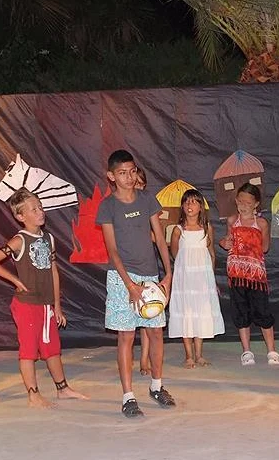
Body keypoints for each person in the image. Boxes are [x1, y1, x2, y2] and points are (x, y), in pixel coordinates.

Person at [0, 188, 87, 407]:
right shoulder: (19, 240)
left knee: (52, 348)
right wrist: (16, 281)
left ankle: (63, 388)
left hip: (46, 305)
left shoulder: (48, 238)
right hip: (27, 305)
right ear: (20, 216)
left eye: (40, 207)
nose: (40, 212)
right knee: (29, 351)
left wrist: (57, 305)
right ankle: (33, 393)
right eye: (34, 209)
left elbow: (53, 271)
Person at [96, 149, 175, 418]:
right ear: (111, 176)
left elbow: (160, 239)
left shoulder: (147, 199)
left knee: (155, 332)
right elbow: (112, 250)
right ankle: (128, 396)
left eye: (131, 171)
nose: (128, 177)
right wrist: (129, 285)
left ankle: (157, 386)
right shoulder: (107, 206)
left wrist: (168, 274)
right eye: (122, 173)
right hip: (122, 280)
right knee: (126, 336)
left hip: (151, 278)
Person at [219, 183, 279, 366]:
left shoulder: (261, 223)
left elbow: (266, 247)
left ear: (256, 204)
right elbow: (226, 241)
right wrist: (225, 243)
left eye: (248, 201)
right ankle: (246, 350)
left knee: (262, 312)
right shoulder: (232, 221)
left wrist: (252, 243)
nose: (243, 204)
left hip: (256, 276)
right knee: (241, 312)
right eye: (241, 200)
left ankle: (272, 350)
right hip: (236, 274)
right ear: (236, 201)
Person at [167, 189, 224, 368]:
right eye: (186, 202)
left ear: (201, 206)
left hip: (202, 280)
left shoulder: (207, 229)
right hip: (185, 280)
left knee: (200, 313)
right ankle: (189, 356)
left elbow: (212, 254)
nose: (189, 205)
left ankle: (199, 354)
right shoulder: (178, 230)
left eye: (193, 202)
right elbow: (176, 253)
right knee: (187, 313)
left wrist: (211, 280)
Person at [133, 167, 152, 376]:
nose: (134, 185)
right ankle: (127, 353)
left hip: (146, 264)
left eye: (139, 183)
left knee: (147, 313)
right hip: (126, 267)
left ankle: (144, 359)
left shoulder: (148, 205)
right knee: (129, 316)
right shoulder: (117, 205)